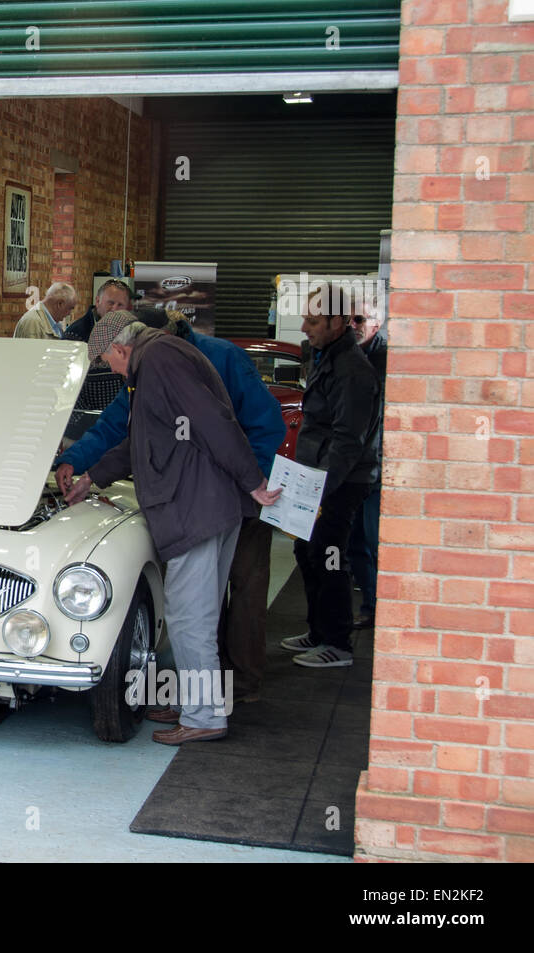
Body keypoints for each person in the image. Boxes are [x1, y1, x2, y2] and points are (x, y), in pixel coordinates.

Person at [60, 315, 280, 745]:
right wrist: (92, 477)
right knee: (199, 615)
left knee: (188, 617)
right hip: (207, 504)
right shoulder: (156, 361)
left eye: (109, 362)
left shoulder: (159, 360)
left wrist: (253, 480)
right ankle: (194, 704)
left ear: (121, 350)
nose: (114, 371)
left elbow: (214, 422)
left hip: (196, 506)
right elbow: (139, 438)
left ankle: (204, 718)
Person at [280, 283, 380, 667]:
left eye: (314, 320)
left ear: (339, 322)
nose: (305, 327)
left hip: (339, 482)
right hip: (316, 478)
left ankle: (338, 643)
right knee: (307, 551)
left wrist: (319, 491)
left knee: (331, 555)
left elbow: (347, 440)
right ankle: (320, 631)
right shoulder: (326, 357)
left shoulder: (353, 371)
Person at [347, 297, 386, 629]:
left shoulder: (388, 360)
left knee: (375, 541)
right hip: (355, 470)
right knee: (355, 541)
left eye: (360, 320)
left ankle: (381, 606)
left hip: (378, 470)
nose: (354, 326)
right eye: (350, 320)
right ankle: (371, 605)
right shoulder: (350, 357)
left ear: (377, 322)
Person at [63, 276, 133, 343]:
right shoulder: (75, 334)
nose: (115, 309)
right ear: (97, 301)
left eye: (120, 305)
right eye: (111, 303)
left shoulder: (130, 333)